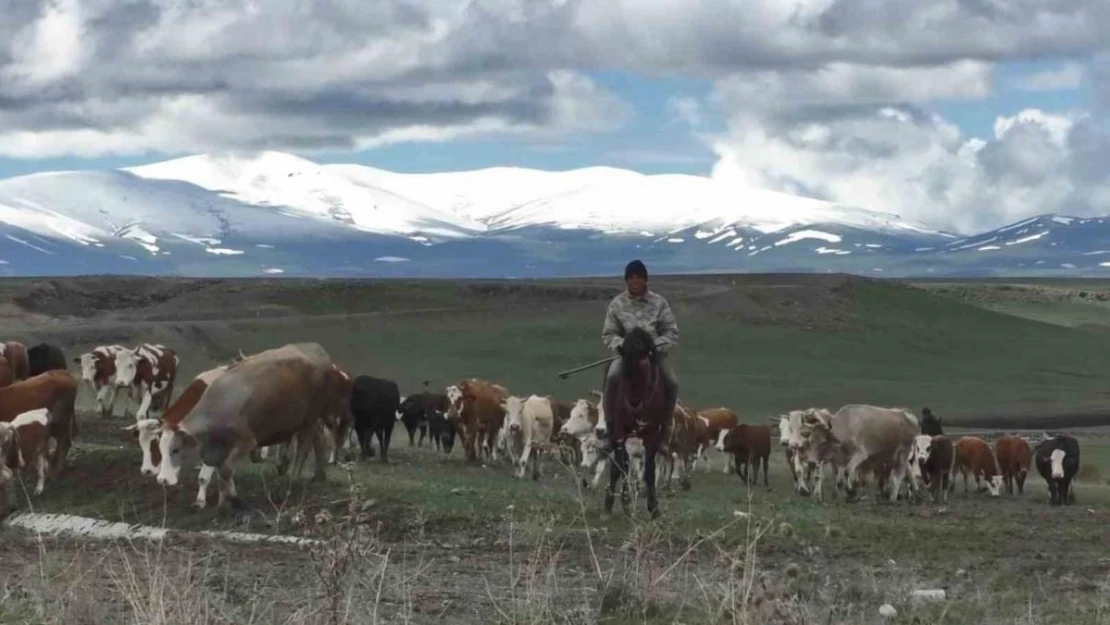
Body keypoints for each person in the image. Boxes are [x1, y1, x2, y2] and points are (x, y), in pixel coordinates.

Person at [599, 259, 679, 454]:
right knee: (611, 377)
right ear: (626, 280)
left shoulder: (659, 303)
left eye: (639, 277)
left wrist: (653, 346)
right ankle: (610, 431)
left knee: (672, 382)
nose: (635, 281)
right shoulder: (617, 304)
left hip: (652, 354)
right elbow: (608, 333)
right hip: (626, 355)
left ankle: (665, 433)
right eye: (631, 277)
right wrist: (624, 346)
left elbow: (671, 332)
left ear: (645, 279)